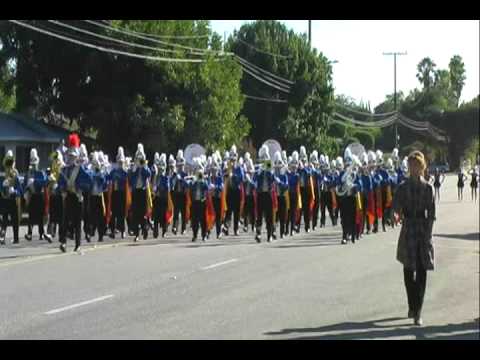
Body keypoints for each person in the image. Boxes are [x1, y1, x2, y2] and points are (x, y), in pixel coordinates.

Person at [393, 150, 436, 326]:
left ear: (422, 167)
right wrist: (395, 214)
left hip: (423, 229)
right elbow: (395, 206)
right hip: (408, 228)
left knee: (422, 270)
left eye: (417, 166)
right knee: (408, 270)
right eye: (411, 166)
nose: (414, 169)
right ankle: (412, 304)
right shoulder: (402, 187)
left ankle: (418, 311)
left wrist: (429, 234)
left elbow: (432, 213)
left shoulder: (428, 188)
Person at [58, 134, 92, 252]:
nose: (71, 158)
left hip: (78, 197)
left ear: (76, 156)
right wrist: (62, 189)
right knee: (65, 220)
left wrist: (79, 187)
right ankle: (63, 242)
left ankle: (78, 243)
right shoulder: (65, 169)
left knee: (78, 222)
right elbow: (61, 182)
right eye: (70, 156)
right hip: (68, 196)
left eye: (73, 156)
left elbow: (89, 181)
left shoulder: (80, 169)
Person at [23, 149, 52, 243]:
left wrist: (35, 182)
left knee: (39, 216)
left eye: (35, 162)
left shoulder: (41, 172)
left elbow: (45, 183)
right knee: (31, 216)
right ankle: (29, 233)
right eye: (32, 162)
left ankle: (41, 233)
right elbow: (24, 185)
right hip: (32, 196)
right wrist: (26, 187)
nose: (33, 164)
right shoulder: (28, 173)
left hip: (39, 196)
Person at [128, 143, 152, 242]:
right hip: (135, 191)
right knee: (135, 212)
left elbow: (148, 174)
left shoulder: (144, 167)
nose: (139, 160)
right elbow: (130, 177)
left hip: (143, 191)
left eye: (140, 158)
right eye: (138, 158)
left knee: (143, 212)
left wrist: (143, 165)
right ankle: (136, 233)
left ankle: (145, 229)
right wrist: (135, 167)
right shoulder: (134, 167)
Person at [253, 145, 275, 243]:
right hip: (260, 193)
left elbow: (273, 179)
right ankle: (258, 233)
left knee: (269, 215)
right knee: (259, 215)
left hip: (269, 194)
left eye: (265, 157)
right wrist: (259, 171)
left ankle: (269, 235)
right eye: (262, 157)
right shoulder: (258, 166)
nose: (264, 159)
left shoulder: (270, 165)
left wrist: (268, 170)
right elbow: (254, 180)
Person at [0, 151, 22, 245]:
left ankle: (16, 238)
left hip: (13, 200)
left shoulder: (15, 174)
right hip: (5, 200)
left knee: (15, 220)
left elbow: (20, 189)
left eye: (10, 162)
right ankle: (2, 237)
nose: (9, 165)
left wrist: (15, 191)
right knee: (4, 220)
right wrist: (2, 185)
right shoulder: (2, 175)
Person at [108, 147, 128, 239]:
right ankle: (112, 231)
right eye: (119, 162)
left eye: (121, 162)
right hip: (115, 194)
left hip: (122, 194)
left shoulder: (125, 172)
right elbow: (108, 178)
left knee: (122, 214)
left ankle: (123, 231)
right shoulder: (113, 172)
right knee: (113, 213)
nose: (120, 163)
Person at [224, 145, 245, 236]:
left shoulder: (239, 168)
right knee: (228, 211)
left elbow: (242, 178)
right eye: (231, 159)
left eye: (233, 159)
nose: (232, 161)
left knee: (236, 211)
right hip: (229, 191)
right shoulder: (227, 167)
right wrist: (227, 174)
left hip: (236, 191)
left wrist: (234, 176)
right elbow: (223, 176)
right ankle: (226, 227)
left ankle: (236, 229)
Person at [46, 150, 65, 239]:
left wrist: (59, 185)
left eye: (56, 159)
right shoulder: (53, 167)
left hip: (61, 194)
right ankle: (50, 233)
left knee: (61, 216)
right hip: (53, 194)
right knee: (52, 214)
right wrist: (49, 180)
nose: (55, 161)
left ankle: (62, 235)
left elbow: (65, 181)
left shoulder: (63, 168)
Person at [189, 159, 209, 242]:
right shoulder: (193, 182)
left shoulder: (204, 182)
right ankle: (195, 235)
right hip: (194, 202)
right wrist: (193, 180)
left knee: (203, 220)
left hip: (202, 202)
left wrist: (202, 179)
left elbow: (207, 187)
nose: (199, 175)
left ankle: (204, 235)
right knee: (194, 220)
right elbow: (189, 187)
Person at [171, 150, 188, 236]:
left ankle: (183, 228)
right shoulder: (174, 173)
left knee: (183, 212)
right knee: (176, 212)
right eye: (178, 165)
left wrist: (181, 179)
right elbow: (171, 184)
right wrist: (175, 178)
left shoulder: (185, 173)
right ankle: (175, 227)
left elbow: (188, 184)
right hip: (176, 194)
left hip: (183, 195)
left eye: (181, 165)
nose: (180, 166)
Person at [273, 151, 289, 239]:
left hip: (282, 196)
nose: (277, 168)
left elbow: (286, 186)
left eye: (279, 164)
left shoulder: (284, 175)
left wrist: (279, 182)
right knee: (274, 215)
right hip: (274, 197)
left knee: (282, 216)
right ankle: (273, 231)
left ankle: (282, 232)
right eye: (276, 165)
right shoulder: (272, 173)